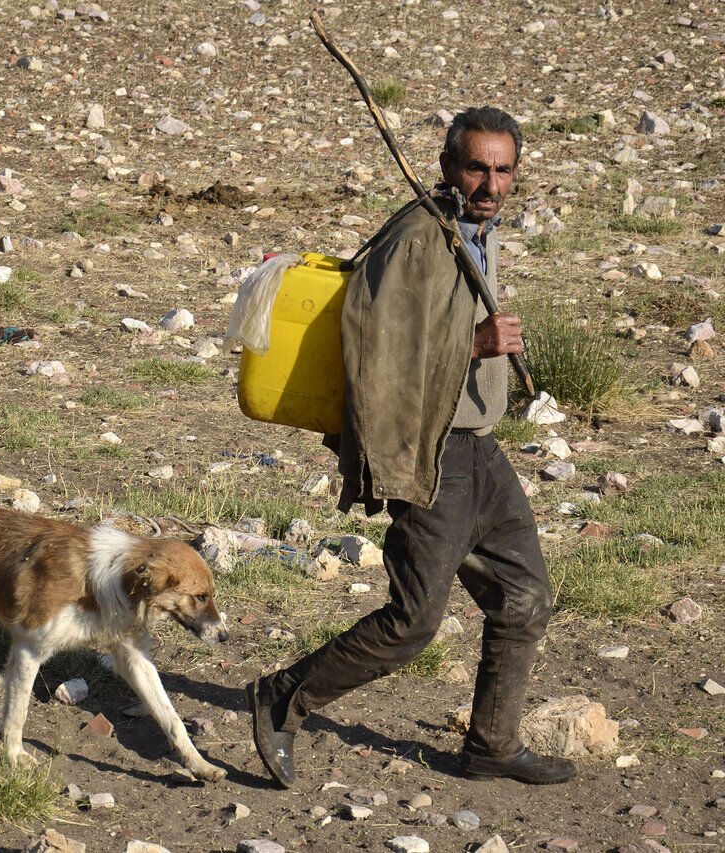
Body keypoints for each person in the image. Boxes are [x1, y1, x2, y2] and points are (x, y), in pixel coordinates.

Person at [246, 106, 577, 787]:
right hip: (429, 450)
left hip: (478, 443)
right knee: (413, 620)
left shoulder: (476, 231)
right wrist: (475, 344)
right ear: (446, 165)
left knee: (524, 596)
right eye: (476, 167)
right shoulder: (420, 238)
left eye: (504, 170)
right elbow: (376, 350)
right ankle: (283, 697)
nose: (490, 183)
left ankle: (490, 744)